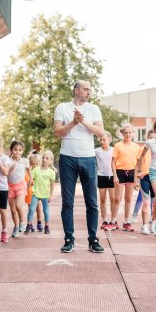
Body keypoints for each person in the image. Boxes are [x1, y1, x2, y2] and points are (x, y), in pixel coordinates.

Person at [54, 80, 105, 253]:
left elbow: (100, 132)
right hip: (67, 158)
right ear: (76, 90)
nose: (88, 92)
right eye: (85, 89)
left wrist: (83, 122)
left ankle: (93, 239)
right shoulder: (62, 107)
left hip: (88, 158)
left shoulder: (93, 109)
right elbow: (57, 132)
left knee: (92, 202)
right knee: (67, 202)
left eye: (89, 90)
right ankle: (69, 239)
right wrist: (74, 123)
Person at [106, 124, 140, 232]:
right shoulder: (118, 146)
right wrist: (115, 176)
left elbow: (138, 164)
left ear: (132, 133)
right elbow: (113, 162)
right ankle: (113, 221)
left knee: (128, 199)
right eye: (126, 133)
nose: (128, 134)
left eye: (130, 132)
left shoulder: (136, 147)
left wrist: (136, 179)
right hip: (120, 173)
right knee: (117, 198)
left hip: (131, 172)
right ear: (123, 134)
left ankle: (127, 222)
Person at [138, 118, 156, 236]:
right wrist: (140, 170)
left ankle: (155, 223)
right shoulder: (150, 142)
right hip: (154, 172)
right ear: (154, 130)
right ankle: (153, 224)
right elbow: (142, 156)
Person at [24, 150, 56, 235]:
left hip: (45, 195)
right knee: (31, 209)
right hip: (35, 194)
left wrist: (51, 196)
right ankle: (29, 225)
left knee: (46, 212)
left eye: (46, 158)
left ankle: (47, 226)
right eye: (43, 158)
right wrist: (28, 186)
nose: (44, 159)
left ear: (50, 161)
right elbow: (31, 179)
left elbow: (52, 185)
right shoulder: (36, 170)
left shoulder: (51, 172)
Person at [131, 129, 156, 224]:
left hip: (154, 177)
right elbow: (137, 166)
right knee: (141, 198)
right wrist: (135, 180)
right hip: (143, 177)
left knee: (153, 200)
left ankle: (152, 218)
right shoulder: (141, 150)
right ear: (147, 138)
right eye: (150, 138)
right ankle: (134, 215)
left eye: (154, 138)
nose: (152, 140)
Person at [7, 140, 30, 238]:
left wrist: (31, 180)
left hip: (21, 185)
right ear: (11, 150)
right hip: (10, 187)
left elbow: (29, 170)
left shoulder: (25, 161)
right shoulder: (8, 161)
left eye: (20, 150)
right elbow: (5, 174)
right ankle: (16, 226)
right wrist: (10, 170)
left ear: (22, 151)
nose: (18, 152)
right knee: (12, 210)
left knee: (18, 205)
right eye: (15, 150)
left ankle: (22, 222)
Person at [95, 131, 115, 229]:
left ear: (110, 140)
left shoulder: (114, 150)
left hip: (111, 176)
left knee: (113, 199)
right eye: (101, 140)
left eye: (104, 140)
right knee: (103, 200)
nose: (102, 142)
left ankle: (112, 220)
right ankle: (104, 220)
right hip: (101, 176)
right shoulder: (97, 151)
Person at [25, 152, 43, 233]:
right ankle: (30, 224)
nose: (35, 166)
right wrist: (29, 183)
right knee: (31, 210)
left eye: (37, 164)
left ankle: (39, 223)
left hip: (38, 194)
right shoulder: (28, 174)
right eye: (33, 164)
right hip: (30, 194)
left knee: (39, 209)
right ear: (30, 164)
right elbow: (26, 186)